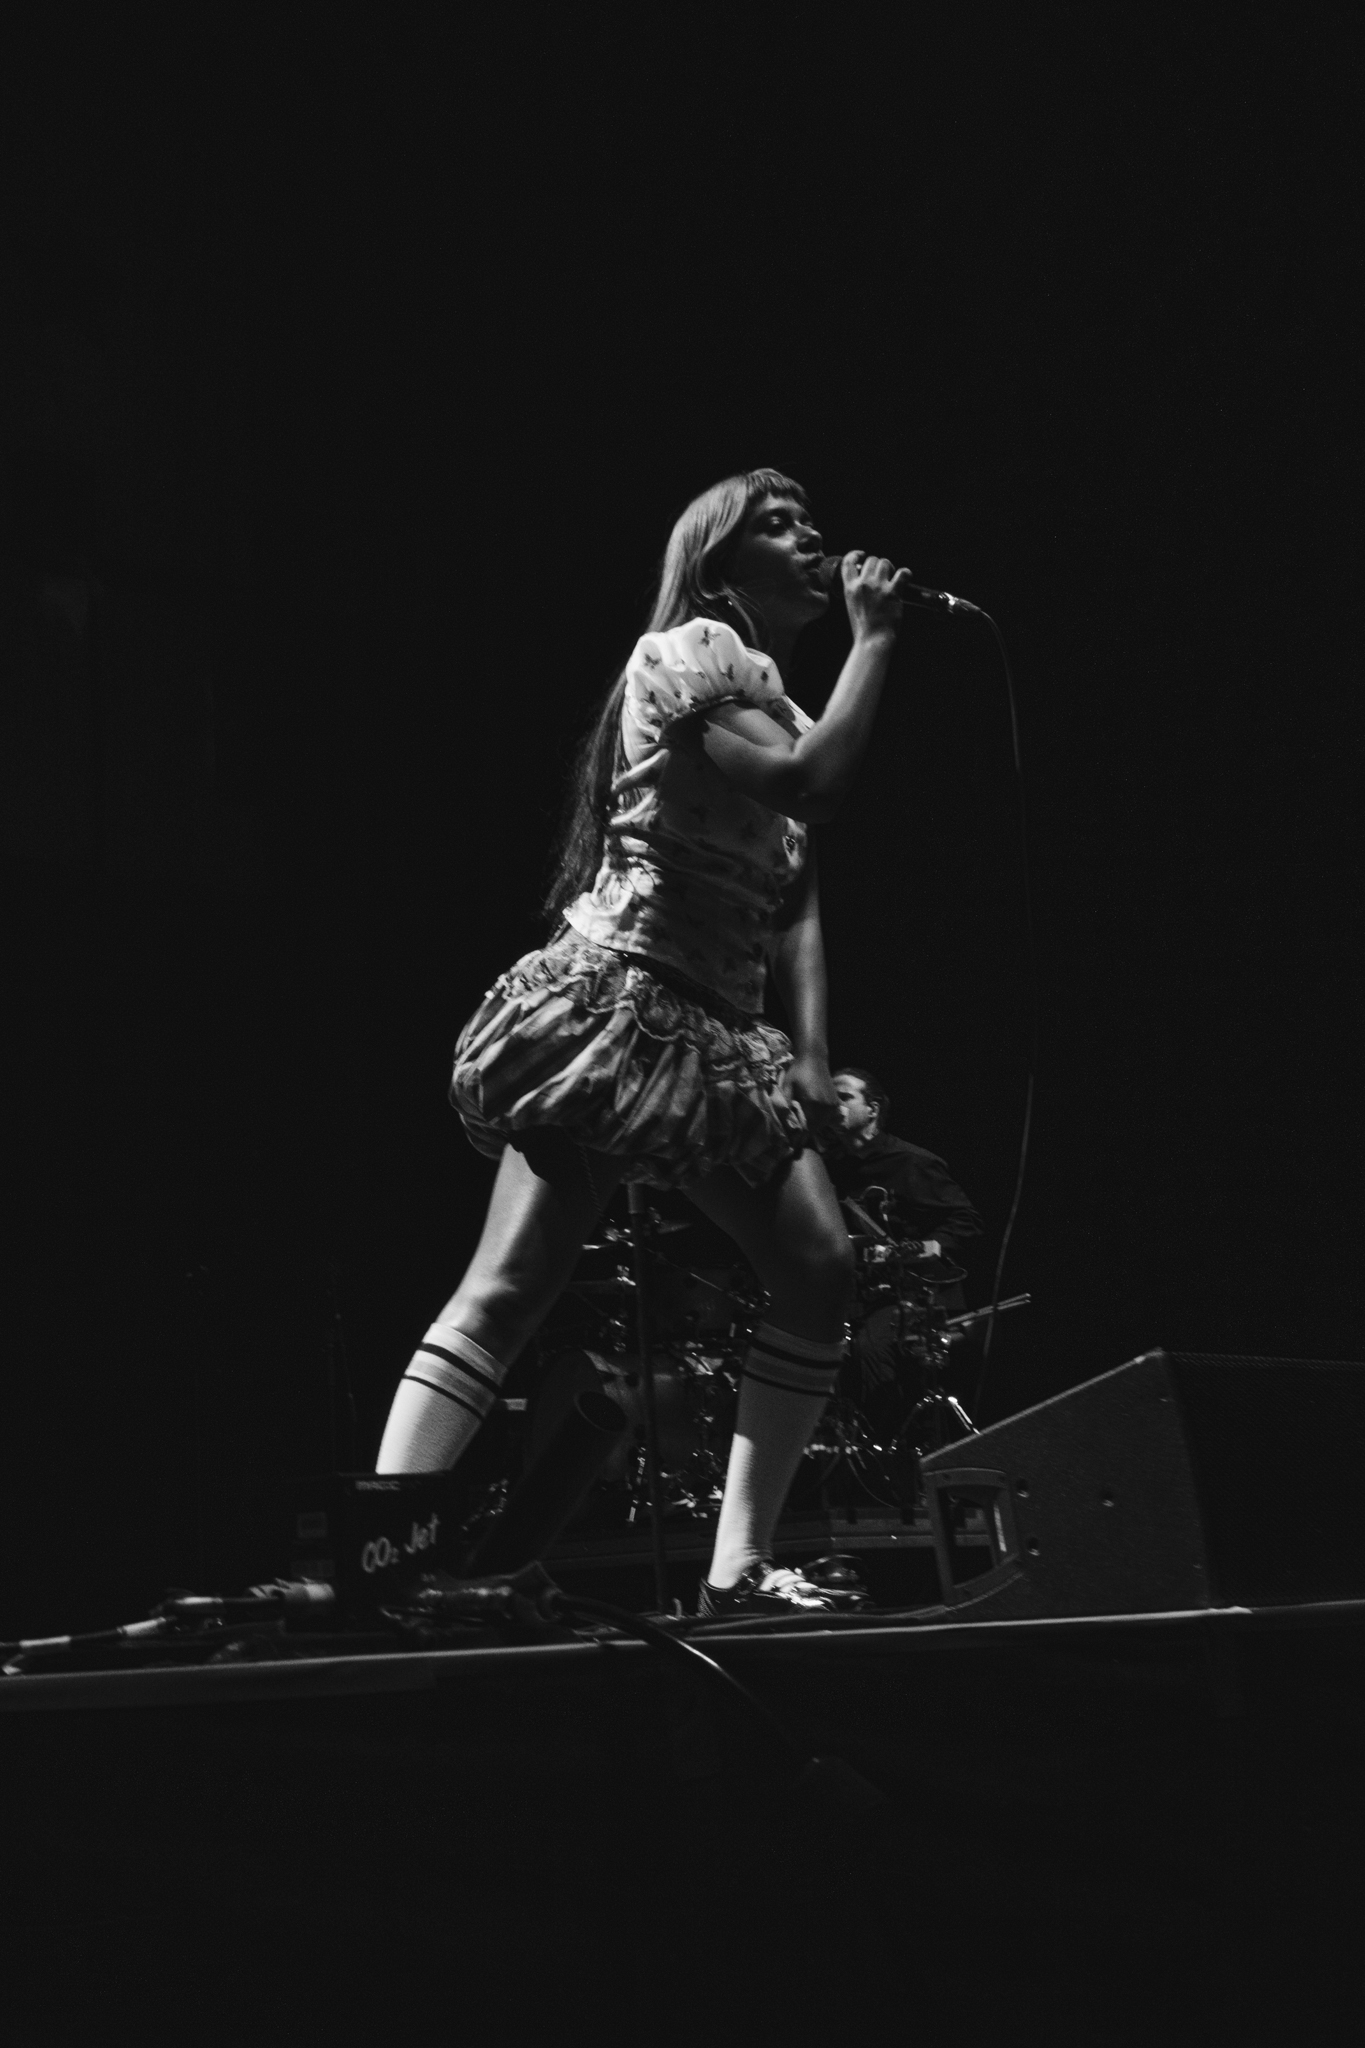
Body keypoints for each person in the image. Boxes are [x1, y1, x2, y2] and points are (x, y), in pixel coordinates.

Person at [376, 467, 908, 1615]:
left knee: (818, 1268)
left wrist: (812, 1055)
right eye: (778, 524)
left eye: (809, 521)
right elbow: (807, 787)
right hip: (620, 1005)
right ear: (718, 565)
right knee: (512, 1285)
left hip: (718, 1033)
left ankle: (738, 1570)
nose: (811, 537)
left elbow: (796, 898)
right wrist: (874, 638)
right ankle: (383, 1557)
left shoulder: (787, 704)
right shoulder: (688, 654)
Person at [824, 1066, 983, 1421]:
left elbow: (967, 1220)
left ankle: (888, 1439)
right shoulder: (829, 1166)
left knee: (870, 1348)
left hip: (915, 1294)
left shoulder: (911, 1162)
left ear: (873, 1109)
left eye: (844, 1097)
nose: (834, 1104)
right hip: (861, 1295)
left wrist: (925, 1247)